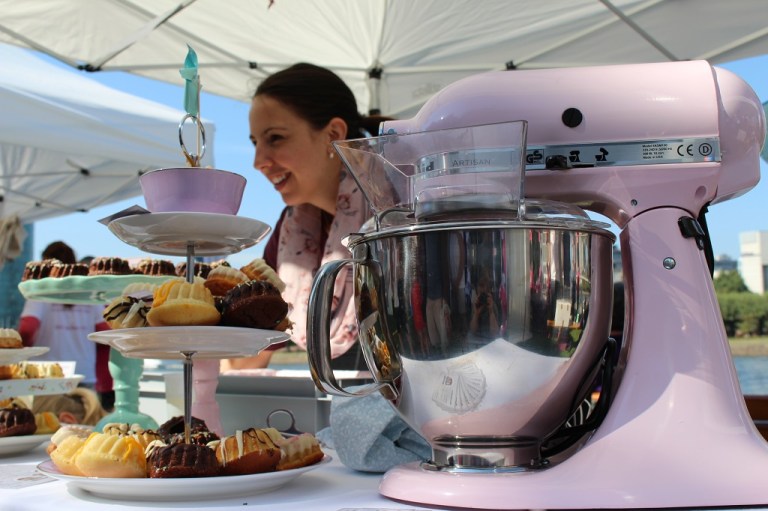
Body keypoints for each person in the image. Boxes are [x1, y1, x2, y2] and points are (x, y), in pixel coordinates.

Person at [222, 63, 388, 372]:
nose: (258, 162)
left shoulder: (399, 218)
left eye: (275, 138)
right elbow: (246, 360)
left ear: (333, 134)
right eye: (255, 142)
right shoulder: (288, 237)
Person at [18, 241, 113, 408]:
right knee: (83, 431)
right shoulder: (89, 293)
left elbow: (27, 329)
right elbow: (105, 329)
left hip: (46, 376)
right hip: (84, 375)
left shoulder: (41, 290)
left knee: (47, 428)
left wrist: (17, 352)